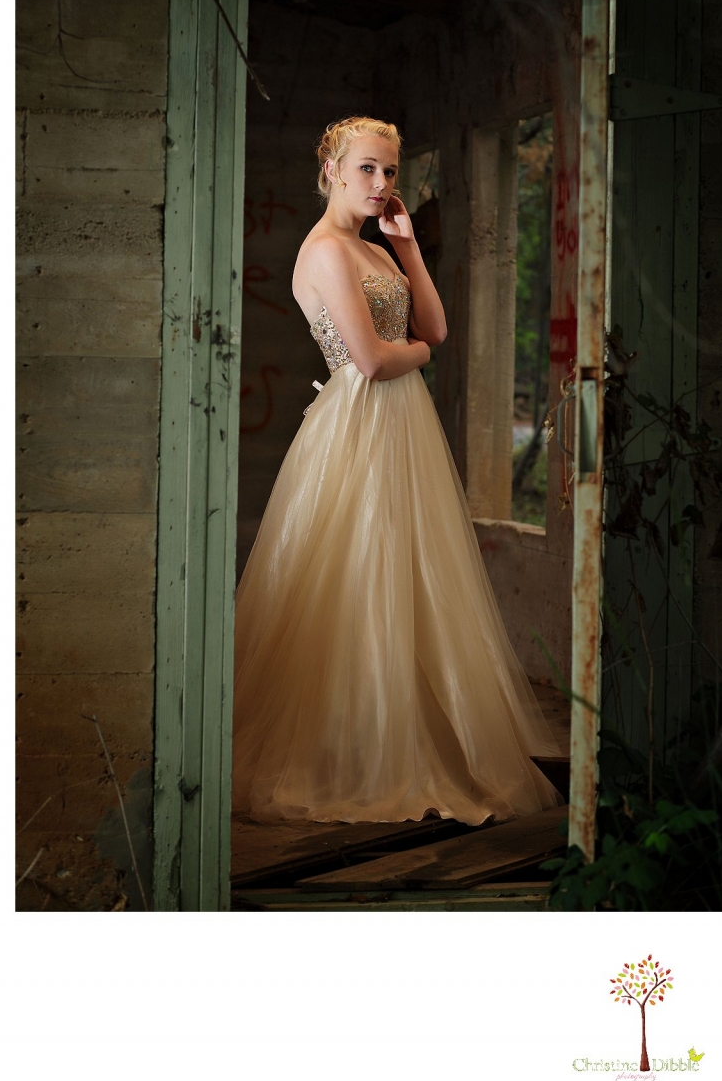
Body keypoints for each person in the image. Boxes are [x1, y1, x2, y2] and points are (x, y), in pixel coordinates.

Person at [232, 115, 563, 824]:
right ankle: (358, 752)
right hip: (360, 426)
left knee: (414, 578)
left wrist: (409, 250)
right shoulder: (325, 251)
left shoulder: (377, 247)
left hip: (401, 425)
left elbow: (437, 328)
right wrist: (418, 355)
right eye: (367, 171)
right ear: (331, 171)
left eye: (389, 172)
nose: (382, 185)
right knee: (360, 578)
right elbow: (379, 361)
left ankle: (413, 735)